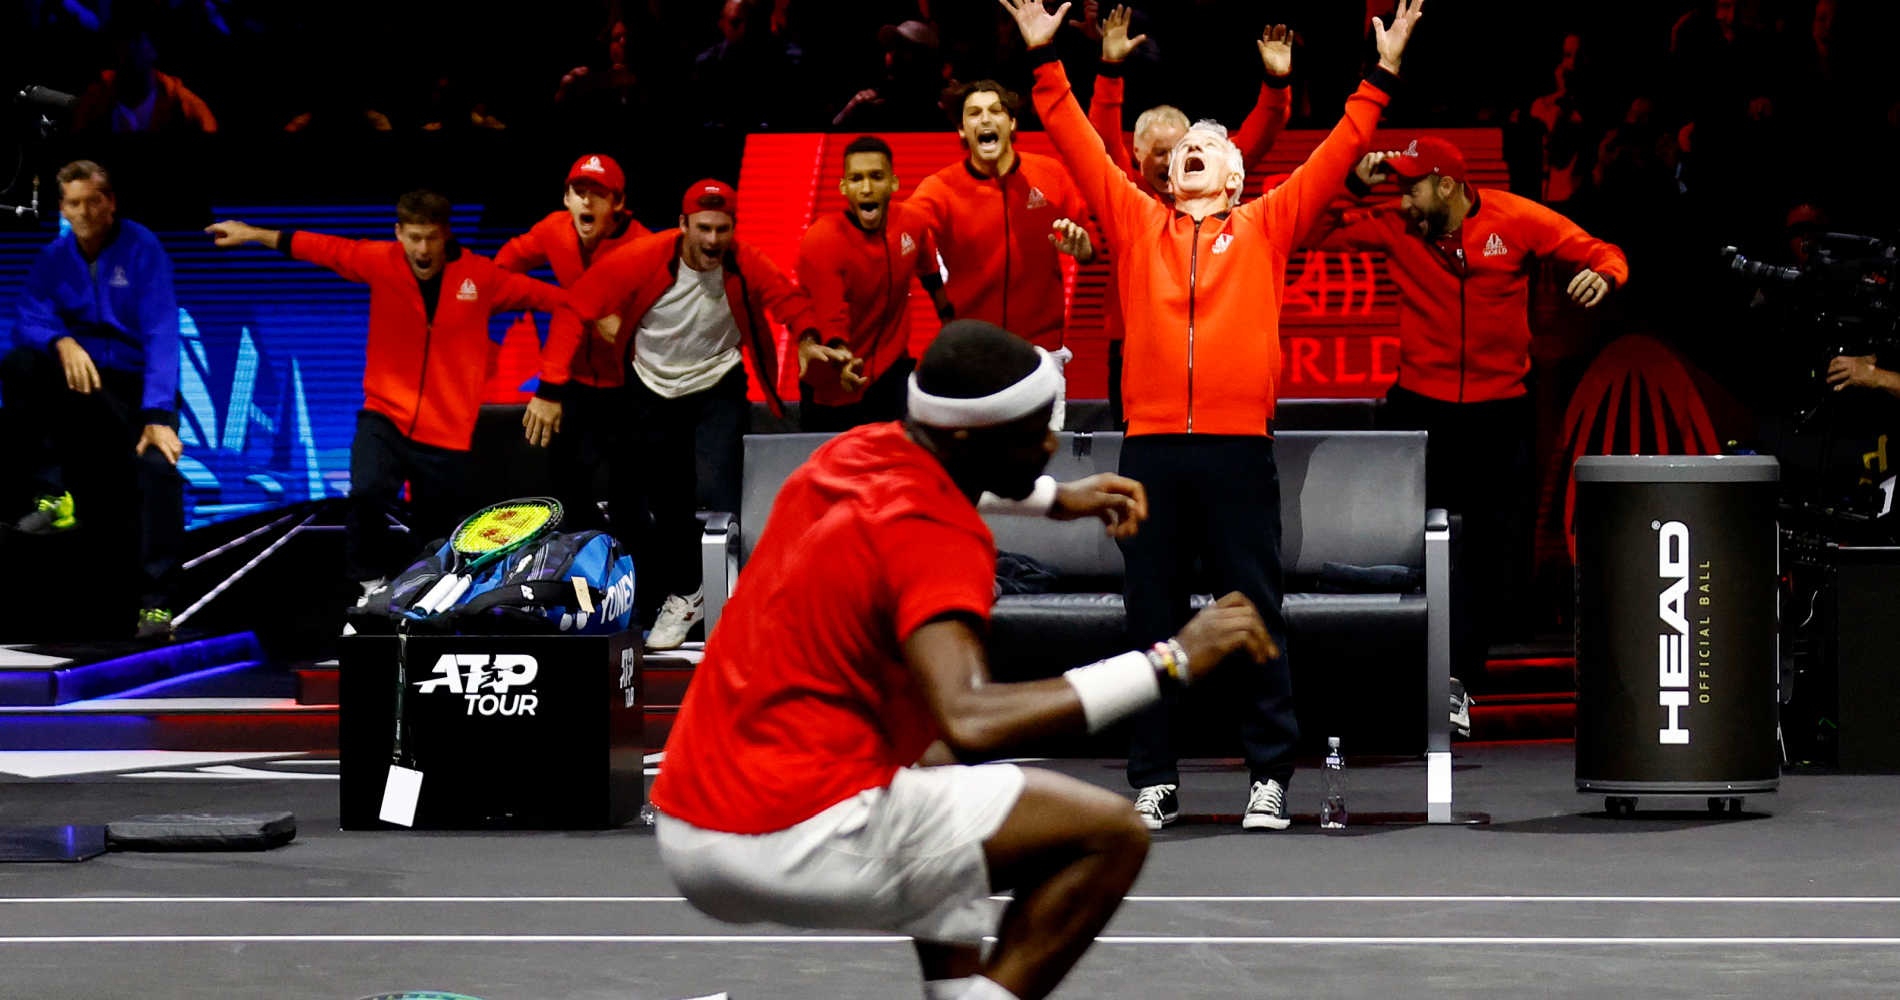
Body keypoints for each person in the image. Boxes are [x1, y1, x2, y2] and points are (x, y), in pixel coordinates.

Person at [651, 319, 1275, 1000]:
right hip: (788, 829)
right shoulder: (936, 533)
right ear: (970, 440)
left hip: (691, 820)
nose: (1050, 443)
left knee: (939, 766)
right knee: (1110, 834)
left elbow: (951, 475)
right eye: (1034, 432)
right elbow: (972, 715)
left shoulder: (857, 454)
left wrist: (1056, 500)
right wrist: (1172, 660)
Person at [1004, 0, 1423, 829]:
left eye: (1211, 142)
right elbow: (1081, 145)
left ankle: (1269, 775)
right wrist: (1047, 58)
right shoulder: (1134, 223)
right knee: (1151, 620)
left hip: (1236, 450)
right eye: (1183, 145)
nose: (1192, 144)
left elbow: (1340, 150)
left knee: (1252, 612)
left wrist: (1381, 75)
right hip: (1154, 448)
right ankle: (1153, 778)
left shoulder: (1266, 226)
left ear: (1234, 175)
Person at [1310, 137, 1628, 708]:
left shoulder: (1516, 218)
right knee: (1419, 544)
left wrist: (1604, 277)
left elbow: (1603, 251)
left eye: (1412, 188)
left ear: (1448, 186)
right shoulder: (1391, 224)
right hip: (1421, 408)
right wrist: (1354, 185)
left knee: (1488, 549)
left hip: (1499, 411)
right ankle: (1418, 669)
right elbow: (1305, 233)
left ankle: (1461, 679)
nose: (1403, 201)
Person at [204, 191, 572, 598]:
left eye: (431, 238)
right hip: (385, 415)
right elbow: (322, 248)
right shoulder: (380, 262)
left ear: (446, 235)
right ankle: (370, 583)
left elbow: (559, 302)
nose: (423, 249)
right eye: (414, 237)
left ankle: (431, 601)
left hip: (446, 431)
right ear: (399, 233)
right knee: (367, 491)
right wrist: (253, 234)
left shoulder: (481, 278)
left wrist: (596, 318)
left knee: (437, 534)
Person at [566, 179, 822, 650]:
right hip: (652, 387)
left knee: (723, 494)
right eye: (703, 228)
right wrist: (600, 324)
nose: (712, 240)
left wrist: (806, 338)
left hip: (717, 383)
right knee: (667, 504)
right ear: (683, 225)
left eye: (722, 229)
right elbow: (580, 297)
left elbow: (789, 300)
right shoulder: (645, 256)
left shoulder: (746, 262)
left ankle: (743, 601)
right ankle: (686, 596)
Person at [1083, 5, 1294, 424]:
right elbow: (1101, 136)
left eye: (1179, 149)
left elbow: (1261, 131)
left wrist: (1276, 82)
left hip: (1218, 347)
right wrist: (1109, 68)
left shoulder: (1216, 182)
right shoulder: (1130, 202)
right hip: (1137, 348)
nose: (1171, 161)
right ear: (1138, 155)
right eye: (1159, 153)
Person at [4, 160, 183, 640]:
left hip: (135, 386)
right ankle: (54, 495)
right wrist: (61, 340)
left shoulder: (142, 248)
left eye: (94, 201)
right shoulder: (53, 258)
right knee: (21, 363)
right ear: (62, 208)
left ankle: (157, 606)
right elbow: (27, 319)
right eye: (74, 203)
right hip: (81, 385)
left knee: (157, 471)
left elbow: (163, 332)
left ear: (111, 203)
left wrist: (158, 416)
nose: (85, 211)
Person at [906, 76, 1098, 424]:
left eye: (996, 111)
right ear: (962, 131)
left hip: (1041, 353)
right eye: (974, 114)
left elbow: (1090, 245)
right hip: (973, 354)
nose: (985, 120)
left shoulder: (1050, 174)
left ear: (1012, 123)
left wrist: (1083, 247)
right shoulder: (939, 189)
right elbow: (903, 233)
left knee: (1041, 465)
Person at [493, 154, 651, 532]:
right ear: (566, 199)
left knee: (629, 497)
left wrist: (622, 324)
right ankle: (587, 571)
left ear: (618, 203)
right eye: (578, 192)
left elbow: (666, 324)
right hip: (574, 384)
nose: (586, 201)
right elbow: (499, 272)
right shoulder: (553, 230)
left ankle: (641, 580)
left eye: (598, 194)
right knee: (566, 492)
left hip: (631, 386)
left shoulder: (645, 248)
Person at [794, 135, 950, 431]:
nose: (866, 188)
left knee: (896, 468)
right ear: (843, 187)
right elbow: (831, 317)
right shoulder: (822, 240)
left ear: (893, 182)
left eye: (876, 177)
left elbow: (930, 273)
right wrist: (841, 357)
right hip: (835, 380)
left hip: (892, 373)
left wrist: (951, 322)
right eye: (856, 179)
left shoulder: (913, 223)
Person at [70, 29, 218, 135]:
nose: (129, 48)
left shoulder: (183, 103)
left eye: (137, 40)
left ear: (154, 50)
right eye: (123, 40)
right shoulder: (95, 98)